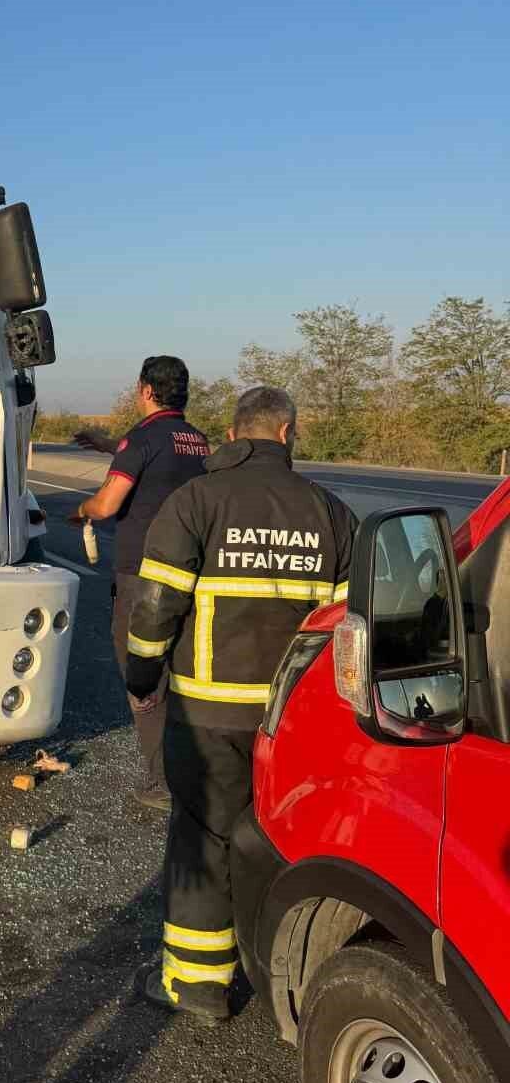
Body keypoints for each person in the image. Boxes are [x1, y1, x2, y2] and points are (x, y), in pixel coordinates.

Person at [124, 385, 356, 1025]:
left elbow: (156, 604)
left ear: (232, 434)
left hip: (208, 715)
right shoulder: (330, 511)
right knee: (285, 842)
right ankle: (292, 975)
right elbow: (350, 623)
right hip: (294, 720)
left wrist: (142, 674)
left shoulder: (196, 501)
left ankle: (199, 984)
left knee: (204, 836)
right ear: (287, 433)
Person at [68, 356, 209, 808]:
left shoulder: (142, 437)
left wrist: (83, 510)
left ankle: (162, 784)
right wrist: (110, 445)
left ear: (146, 390)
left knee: (142, 677)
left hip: (143, 578)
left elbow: (108, 505)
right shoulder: (197, 440)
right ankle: (196, 768)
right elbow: (159, 461)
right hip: (190, 571)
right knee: (182, 672)